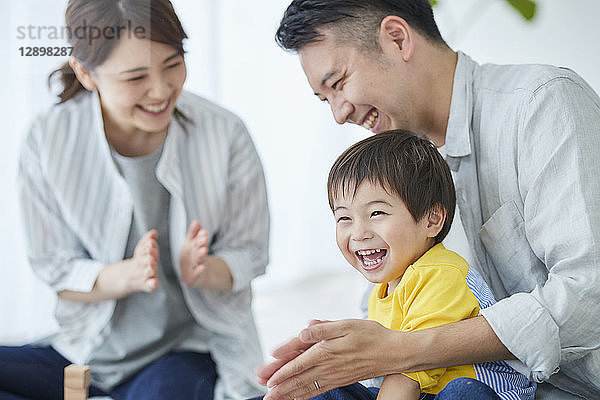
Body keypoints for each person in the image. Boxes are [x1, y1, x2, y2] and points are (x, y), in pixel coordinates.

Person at [257, 1, 600, 399]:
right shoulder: (400, 163)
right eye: (324, 99)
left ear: (397, 39)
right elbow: (392, 308)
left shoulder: (540, 104)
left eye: (338, 83)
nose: (339, 113)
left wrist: (402, 351)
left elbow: (588, 294)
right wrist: (346, 350)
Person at [0, 0, 269, 399]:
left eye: (173, 64)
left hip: (182, 348)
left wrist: (204, 269)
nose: (160, 91)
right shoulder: (47, 138)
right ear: (86, 73)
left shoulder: (224, 133)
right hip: (84, 349)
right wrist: (124, 275)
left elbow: (251, 252)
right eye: (135, 77)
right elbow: (53, 266)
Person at [326, 131, 534, 399]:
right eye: (344, 218)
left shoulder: (441, 274)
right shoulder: (382, 291)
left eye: (376, 213)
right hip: (424, 392)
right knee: (326, 387)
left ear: (431, 220)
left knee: (461, 393)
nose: (358, 233)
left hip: (480, 392)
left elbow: (406, 376)